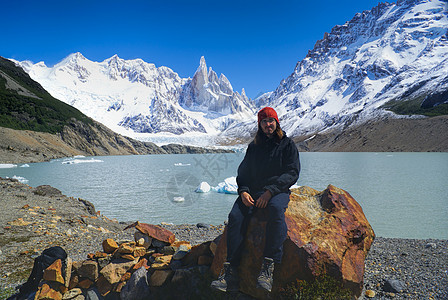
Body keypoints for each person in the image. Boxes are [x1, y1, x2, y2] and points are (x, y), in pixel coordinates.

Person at [211, 107, 300, 293]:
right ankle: (230, 271)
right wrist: (243, 191)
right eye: (264, 121)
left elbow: (292, 172)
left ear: (277, 122)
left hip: (278, 191)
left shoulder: (287, 144)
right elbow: (243, 173)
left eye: (271, 120)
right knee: (236, 216)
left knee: (276, 211)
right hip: (253, 191)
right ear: (260, 125)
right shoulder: (254, 147)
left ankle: (268, 267)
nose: (268, 124)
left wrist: (270, 191)